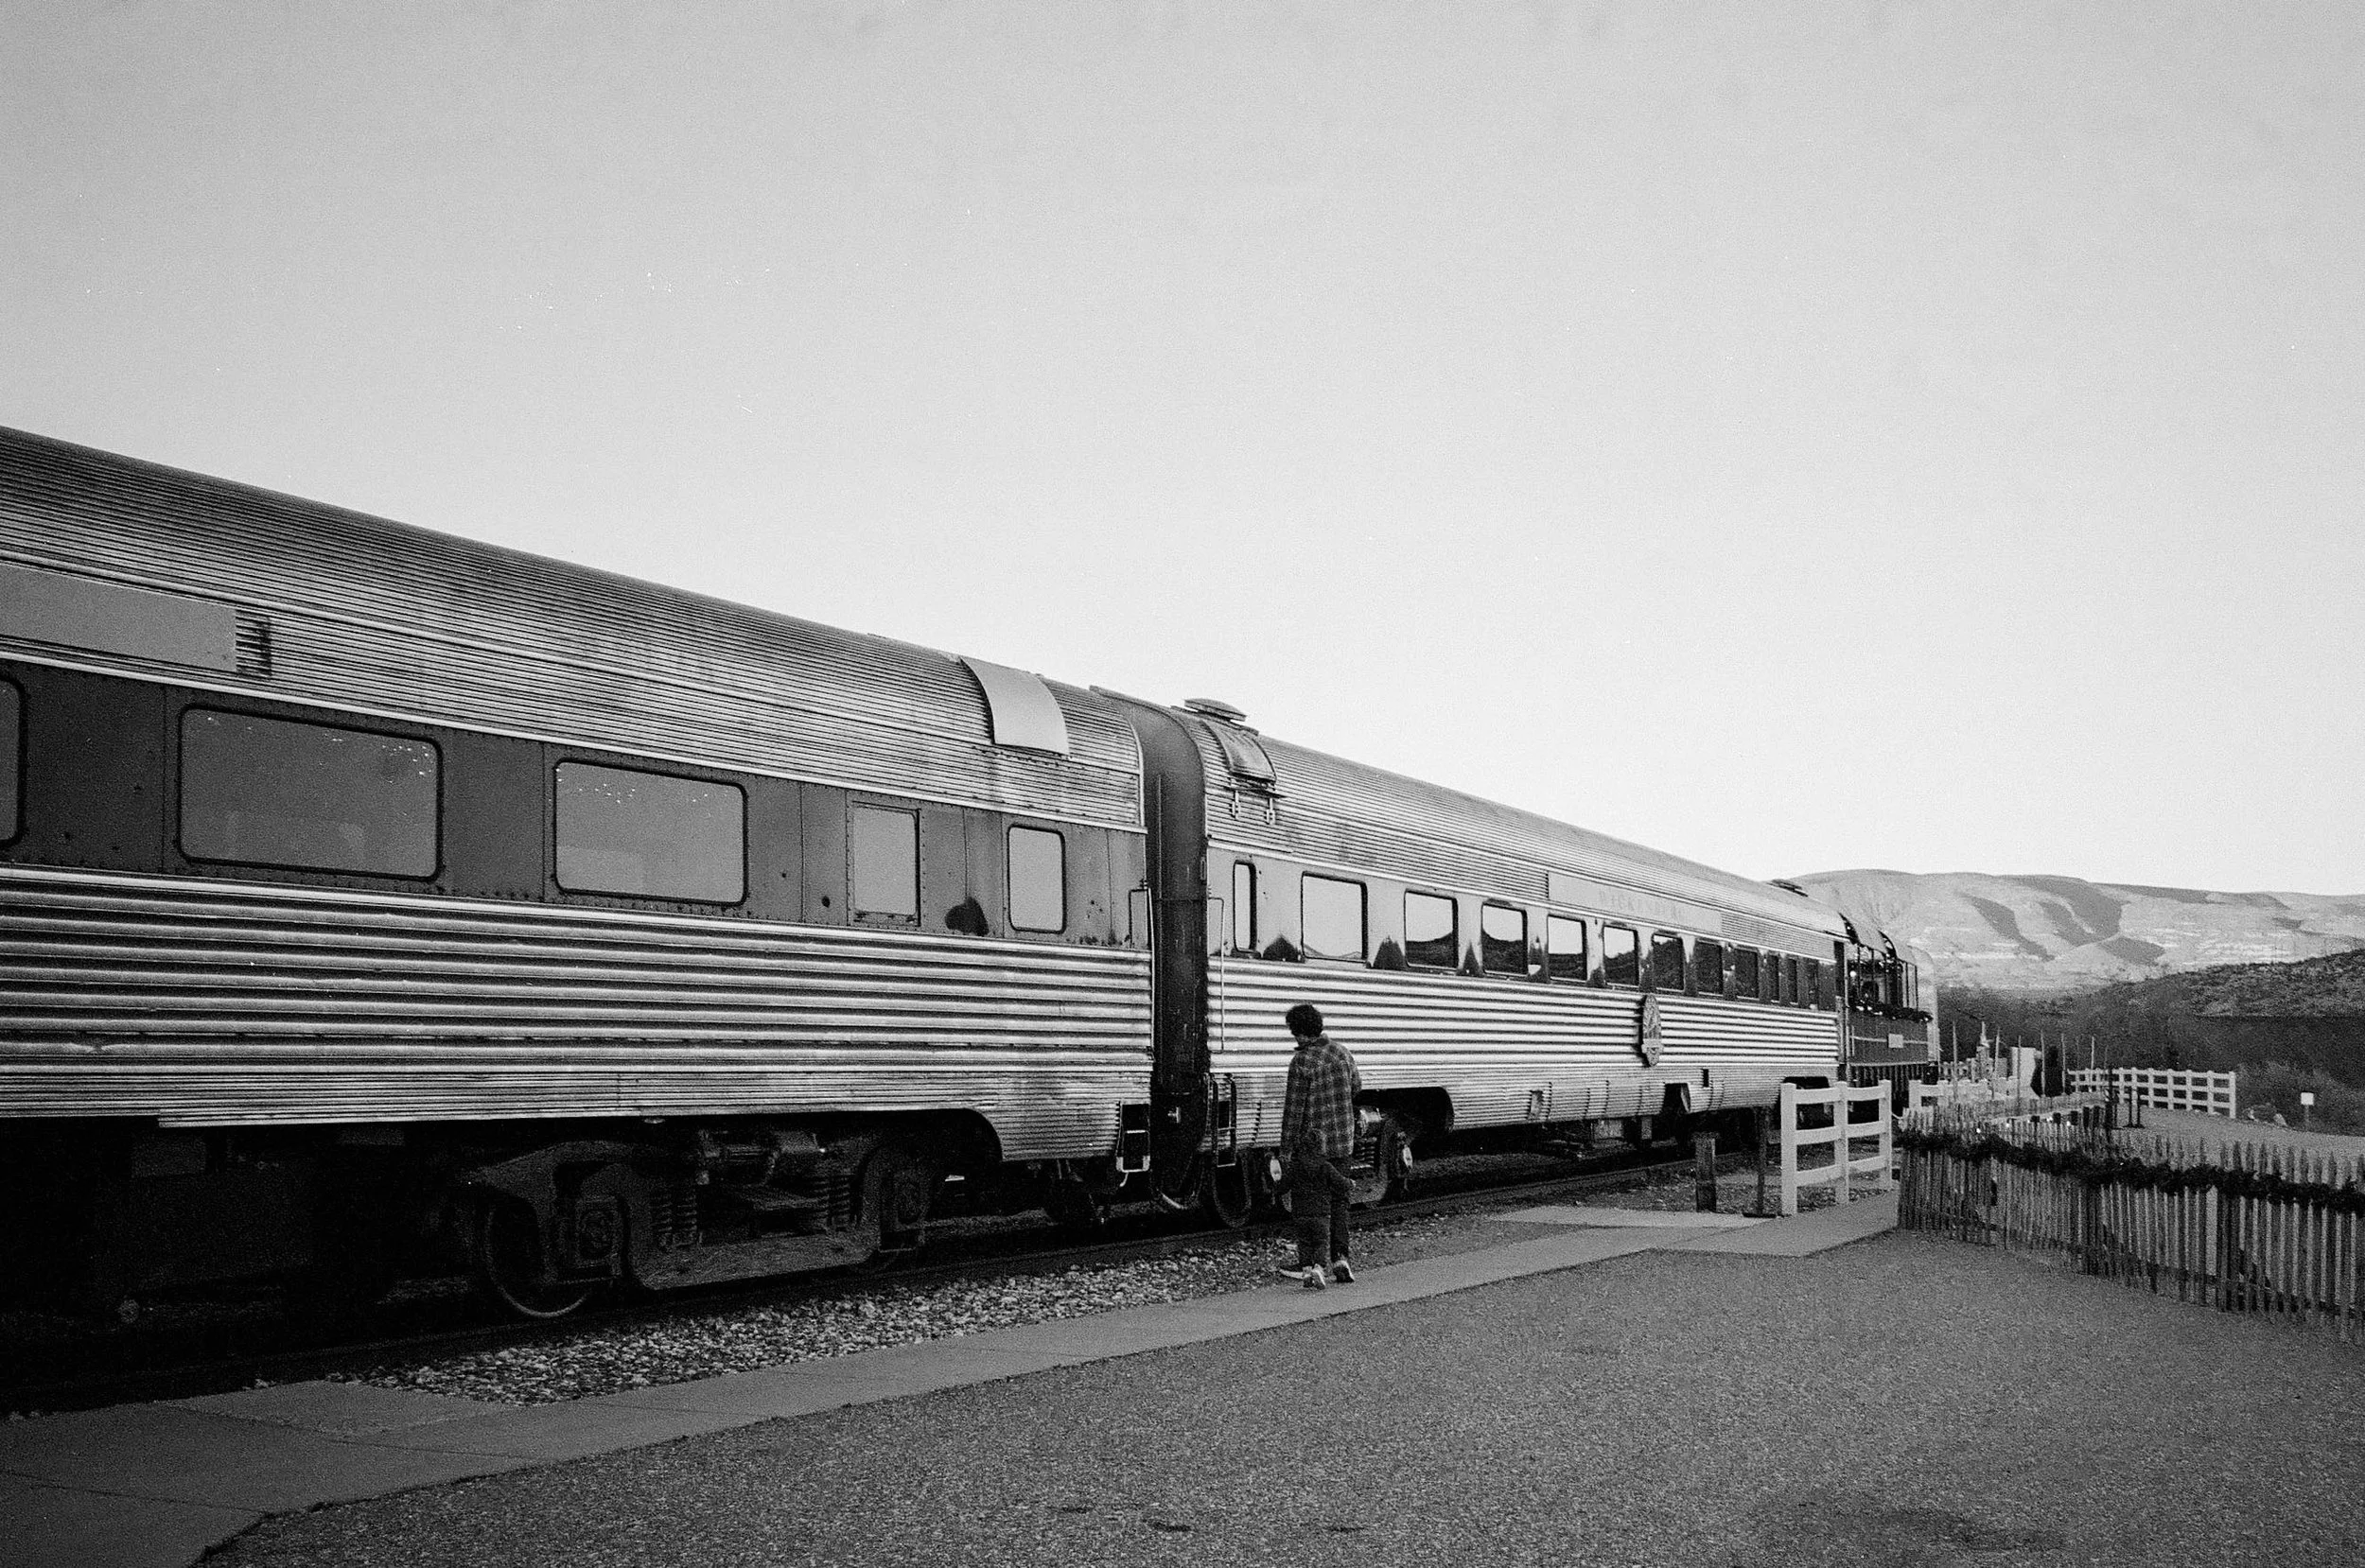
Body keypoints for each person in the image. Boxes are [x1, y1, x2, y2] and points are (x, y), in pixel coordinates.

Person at [1274, 1002, 1359, 1289]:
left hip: (1313, 1148)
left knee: (1310, 1205)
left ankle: (1311, 1263)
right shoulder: (1342, 1052)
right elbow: (1356, 1087)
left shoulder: (1302, 1062)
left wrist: (1286, 1148)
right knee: (1339, 1201)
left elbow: (1294, 1110)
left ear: (1298, 1032)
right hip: (1343, 1140)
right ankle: (1341, 1259)